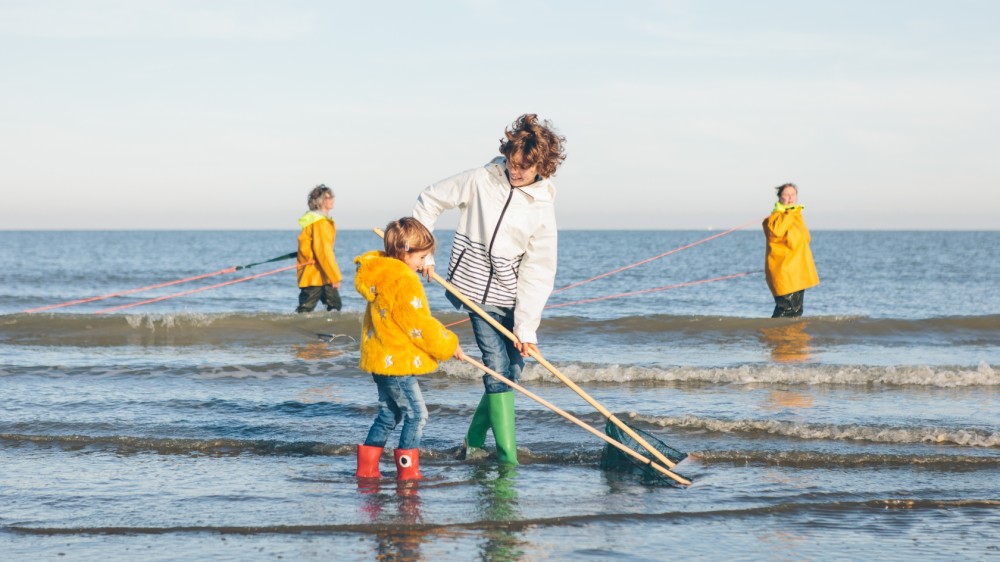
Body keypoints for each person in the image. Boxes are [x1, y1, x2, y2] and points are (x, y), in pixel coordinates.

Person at [412, 113, 567, 465]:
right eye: (512, 162)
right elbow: (430, 199)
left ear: (542, 166)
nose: (515, 171)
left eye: (524, 167)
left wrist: (526, 327)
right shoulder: (481, 179)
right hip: (473, 291)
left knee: (513, 372)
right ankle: (508, 459)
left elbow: (539, 271)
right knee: (496, 366)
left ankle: (473, 441)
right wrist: (424, 253)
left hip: (511, 295)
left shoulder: (542, 208)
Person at [353, 217, 465, 481]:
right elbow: (417, 323)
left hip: (381, 358)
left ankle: (367, 472)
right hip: (397, 362)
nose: (424, 263)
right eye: (422, 257)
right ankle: (408, 474)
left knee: (389, 414)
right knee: (417, 415)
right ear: (404, 251)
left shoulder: (381, 273)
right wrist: (448, 344)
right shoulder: (403, 279)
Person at [763, 182, 820, 318]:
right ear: (780, 197)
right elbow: (777, 231)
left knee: (796, 310)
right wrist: (789, 212)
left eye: (793, 194)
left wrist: (793, 212)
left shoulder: (796, 216)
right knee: (786, 309)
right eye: (787, 194)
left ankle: (791, 332)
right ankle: (775, 331)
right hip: (784, 272)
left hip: (797, 272)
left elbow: (804, 239)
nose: (790, 197)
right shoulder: (775, 218)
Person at [296, 184, 343, 313]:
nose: (331, 199)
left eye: (331, 196)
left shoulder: (314, 220)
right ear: (319, 202)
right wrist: (335, 276)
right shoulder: (320, 223)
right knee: (306, 310)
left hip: (320, 274)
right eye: (327, 197)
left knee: (334, 307)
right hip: (315, 274)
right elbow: (323, 251)